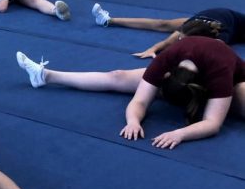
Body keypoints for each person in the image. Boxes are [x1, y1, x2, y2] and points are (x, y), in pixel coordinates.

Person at [16, 35, 245, 149]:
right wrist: (133, 121)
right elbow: (140, 101)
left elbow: (212, 123)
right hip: (189, 74)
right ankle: (46, 76)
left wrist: (180, 134)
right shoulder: (166, 60)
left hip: (236, 79)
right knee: (117, 76)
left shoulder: (219, 71)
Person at [92, 4, 245, 58]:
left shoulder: (220, 35)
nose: (179, 41)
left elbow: (220, 54)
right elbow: (166, 43)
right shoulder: (189, 26)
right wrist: (153, 49)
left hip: (238, 23)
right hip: (208, 17)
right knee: (163, 24)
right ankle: (108, 20)